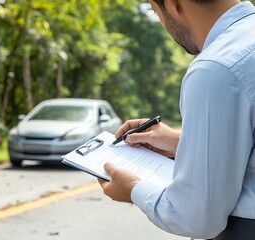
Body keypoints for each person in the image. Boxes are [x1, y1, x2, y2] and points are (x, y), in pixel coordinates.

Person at [98, 0, 255, 239]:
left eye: (154, 10)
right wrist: (182, 141)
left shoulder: (216, 68)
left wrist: (133, 189)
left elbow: (196, 217)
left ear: (173, 5)